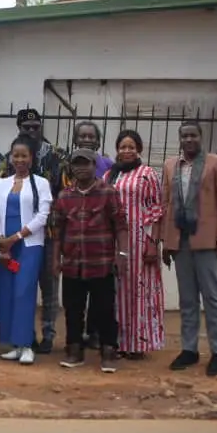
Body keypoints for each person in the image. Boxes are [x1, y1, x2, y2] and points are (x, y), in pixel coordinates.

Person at [161, 121, 217, 377]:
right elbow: (166, 203)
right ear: (180, 139)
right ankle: (189, 349)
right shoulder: (171, 165)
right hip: (180, 241)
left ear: (201, 138)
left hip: (207, 240)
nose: (189, 139)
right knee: (187, 299)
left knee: (212, 297)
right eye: (184, 136)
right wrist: (165, 240)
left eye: (193, 135)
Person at [51, 148, 128, 373]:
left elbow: (121, 226)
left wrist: (122, 255)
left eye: (86, 163)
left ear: (95, 166)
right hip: (73, 264)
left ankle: (108, 352)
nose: (81, 168)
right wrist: (56, 260)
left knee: (104, 309)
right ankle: (74, 351)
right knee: (73, 310)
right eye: (77, 164)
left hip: (101, 263)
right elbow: (57, 232)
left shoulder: (108, 193)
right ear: (71, 168)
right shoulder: (64, 196)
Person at [0, 108, 63, 354]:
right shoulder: (8, 159)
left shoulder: (57, 156)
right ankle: (25, 336)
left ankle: (48, 334)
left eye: (36, 126)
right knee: (22, 287)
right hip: (19, 235)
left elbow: (61, 194)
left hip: (49, 232)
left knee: (48, 287)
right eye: (27, 128)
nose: (32, 131)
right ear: (19, 129)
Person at [0, 136, 53, 365]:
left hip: (28, 245)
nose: (19, 160)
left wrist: (15, 238)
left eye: (24, 155)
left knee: (23, 293)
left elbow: (42, 216)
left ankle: (27, 345)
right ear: (10, 157)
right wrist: (1, 239)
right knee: (7, 293)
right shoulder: (2, 183)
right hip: (6, 247)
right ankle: (14, 345)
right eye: (15, 155)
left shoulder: (41, 183)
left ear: (31, 158)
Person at [106, 130, 165, 359]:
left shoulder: (147, 173)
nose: (127, 151)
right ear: (117, 150)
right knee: (118, 291)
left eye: (131, 147)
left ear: (138, 149)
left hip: (140, 241)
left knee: (139, 291)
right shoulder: (110, 175)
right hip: (115, 241)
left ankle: (138, 343)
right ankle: (119, 341)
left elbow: (156, 209)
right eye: (123, 147)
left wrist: (152, 243)